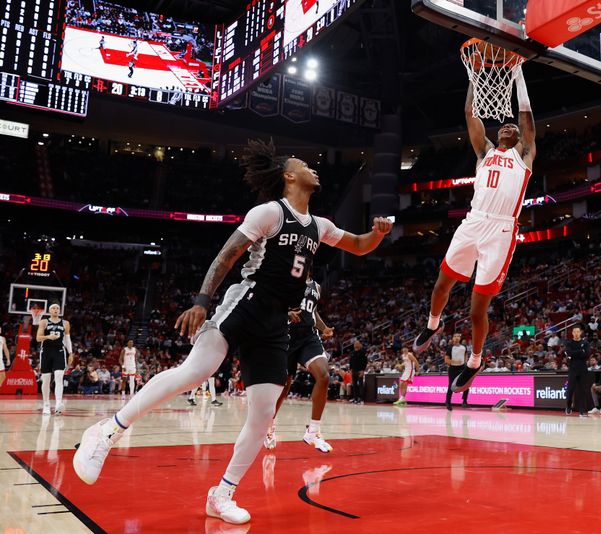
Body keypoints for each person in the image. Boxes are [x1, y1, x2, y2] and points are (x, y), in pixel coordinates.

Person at [73, 139, 393, 525]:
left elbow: (358, 245)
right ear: (289, 176)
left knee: (262, 414)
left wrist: (376, 234)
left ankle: (221, 494)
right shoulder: (270, 212)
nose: (314, 168)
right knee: (196, 371)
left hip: (276, 323)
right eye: (304, 164)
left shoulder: (319, 225)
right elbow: (227, 255)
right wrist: (202, 301)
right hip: (247, 301)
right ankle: (107, 431)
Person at [411, 70, 536, 396]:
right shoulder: (484, 153)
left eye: (514, 127)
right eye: (504, 125)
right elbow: (471, 113)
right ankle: (432, 325)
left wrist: (519, 74)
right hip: (474, 221)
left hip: (502, 228)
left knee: (476, 309)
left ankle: (476, 361)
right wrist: (473, 77)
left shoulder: (524, 157)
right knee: (442, 283)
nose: (508, 126)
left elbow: (527, 120)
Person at [265, 275, 335, 452]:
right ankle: (269, 426)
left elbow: (313, 311)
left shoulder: (316, 286)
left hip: (308, 338)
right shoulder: (285, 277)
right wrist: (285, 313)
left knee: (324, 376)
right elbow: (268, 304)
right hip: (286, 335)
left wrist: (323, 327)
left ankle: (313, 431)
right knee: (283, 387)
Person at [37, 304, 73, 415]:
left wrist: (70, 353)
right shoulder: (44, 322)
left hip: (59, 351)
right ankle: (46, 405)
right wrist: (48, 337)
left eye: (57, 308)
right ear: (49, 310)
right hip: (46, 352)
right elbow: (38, 338)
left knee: (59, 378)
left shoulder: (65, 323)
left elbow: (67, 339)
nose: (56, 310)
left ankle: (58, 403)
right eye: (53, 308)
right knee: (46, 380)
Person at [564, 326, 591, 416]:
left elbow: (587, 355)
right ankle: (568, 406)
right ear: (572, 333)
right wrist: (580, 351)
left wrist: (575, 353)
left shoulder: (585, 343)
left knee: (582, 390)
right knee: (570, 389)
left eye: (577, 331)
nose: (576, 333)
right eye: (574, 331)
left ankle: (582, 410)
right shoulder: (569, 343)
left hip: (583, 369)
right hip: (572, 369)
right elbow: (569, 353)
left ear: (580, 333)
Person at [444, 333, 468, 410]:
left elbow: (466, 354)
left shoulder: (464, 347)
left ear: (460, 338)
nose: (457, 337)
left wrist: (465, 362)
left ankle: (464, 401)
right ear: (453, 338)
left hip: (462, 367)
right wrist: (454, 362)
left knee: (466, 384)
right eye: (455, 336)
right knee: (451, 386)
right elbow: (446, 359)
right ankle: (448, 402)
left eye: (458, 336)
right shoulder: (450, 347)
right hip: (453, 369)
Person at [349, 340, 367, 404]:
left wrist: (363, 370)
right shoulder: (352, 353)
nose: (355, 345)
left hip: (360, 371)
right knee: (354, 385)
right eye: (355, 344)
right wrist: (350, 369)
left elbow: (365, 362)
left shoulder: (363, 352)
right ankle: (355, 398)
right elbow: (350, 362)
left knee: (360, 385)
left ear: (359, 345)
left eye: (357, 344)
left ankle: (361, 399)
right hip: (353, 371)